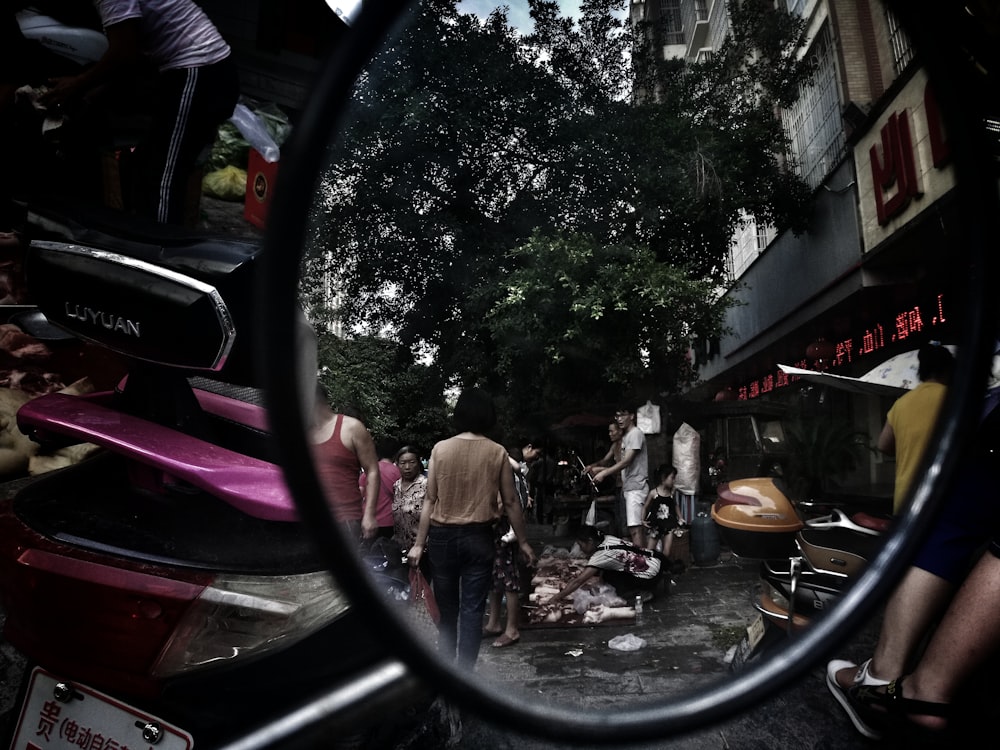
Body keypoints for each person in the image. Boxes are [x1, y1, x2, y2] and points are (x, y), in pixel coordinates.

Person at [826, 346, 1000, 741]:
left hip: (910, 498)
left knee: (932, 547)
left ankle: (884, 674)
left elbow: (884, 446)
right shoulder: (962, 399)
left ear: (919, 371)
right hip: (940, 490)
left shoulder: (903, 403)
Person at [39, 0, 240, 224]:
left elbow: (125, 53)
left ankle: (159, 250)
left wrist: (78, 83)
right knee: (143, 166)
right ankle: (144, 237)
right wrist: (90, 92)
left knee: (163, 177)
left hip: (201, 70)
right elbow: (133, 56)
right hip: (195, 72)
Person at [407, 388, 538, 666]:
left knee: (447, 610)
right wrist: (524, 542)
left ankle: (446, 671)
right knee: (472, 611)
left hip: (442, 539)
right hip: (479, 538)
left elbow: (430, 500)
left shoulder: (440, 449)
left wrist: (419, 544)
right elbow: (511, 501)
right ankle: (464, 674)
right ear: (488, 416)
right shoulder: (497, 452)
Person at [879, 343, 954, 515]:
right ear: (949, 369)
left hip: (906, 500)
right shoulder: (954, 400)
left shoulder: (901, 404)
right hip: (944, 499)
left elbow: (883, 445)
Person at [310, 387, 380, 543]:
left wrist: (369, 514)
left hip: (346, 519)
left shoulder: (351, 427)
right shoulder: (305, 433)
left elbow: (372, 470)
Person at [484, 446, 531, 648]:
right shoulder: (512, 469)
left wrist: (493, 521)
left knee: (508, 578)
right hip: (502, 527)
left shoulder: (506, 470)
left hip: (504, 527)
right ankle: (493, 623)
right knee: (495, 578)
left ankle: (511, 629)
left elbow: (505, 502)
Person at [544, 525, 661, 605]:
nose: (580, 549)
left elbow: (578, 581)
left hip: (650, 576)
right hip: (656, 564)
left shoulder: (600, 555)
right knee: (608, 573)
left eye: (581, 545)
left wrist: (557, 597)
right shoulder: (607, 539)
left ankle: (640, 594)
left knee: (613, 582)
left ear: (590, 541)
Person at [591, 405, 649, 548]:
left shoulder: (635, 433)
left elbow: (627, 461)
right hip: (629, 487)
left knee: (635, 529)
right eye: (617, 416)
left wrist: (604, 472)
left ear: (632, 416)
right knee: (633, 529)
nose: (620, 419)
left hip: (636, 486)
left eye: (623, 415)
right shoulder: (627, 436)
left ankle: (640, 563)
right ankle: (639, 561)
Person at [359, 438, 401, 544]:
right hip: (390, 522)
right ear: (395, 454)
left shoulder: (367, 472)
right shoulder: (398, 472)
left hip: (368, 521)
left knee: (370, 554)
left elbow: (360, 495)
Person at [642, 464, 684, 556]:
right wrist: (643, 520)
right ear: (663, 477)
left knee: (666, 552)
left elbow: (675, 505)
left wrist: (680, 518)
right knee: (649, 551)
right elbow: (645, 506)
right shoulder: (653, 493)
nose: (673, 481)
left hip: (669, 524)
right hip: (655, 525)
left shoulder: (672, 493)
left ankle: (663, 568)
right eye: (672, 478)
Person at [392, 445, 427, 553]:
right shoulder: (396, 486)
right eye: (403, 463)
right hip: (400, 547)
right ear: (397, 464)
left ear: (418, 463)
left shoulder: (426, 484)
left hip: (422, 547)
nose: (407, 467)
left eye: (412, 462)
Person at [522, 438, 557, 525]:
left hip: (541, 484)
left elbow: (531, 474)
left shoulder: (540, 462)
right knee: (546, 503)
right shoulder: (552, 462)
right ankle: (546, 520)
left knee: (541, 503)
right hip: (546, 483)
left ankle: (541, 520)